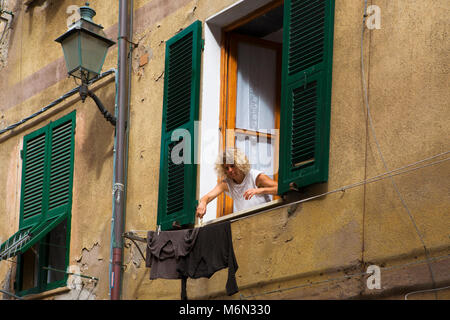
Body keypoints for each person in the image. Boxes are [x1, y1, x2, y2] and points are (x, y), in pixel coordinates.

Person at [196, 148, 278, 219]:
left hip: (266, 218)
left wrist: (259, 190)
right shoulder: (226, 183)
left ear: (240, 164)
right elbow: (207, 197)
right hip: (247, 223)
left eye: (232, 166)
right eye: (226, 168)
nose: (230, 170)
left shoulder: (256, 176)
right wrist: (203, 203)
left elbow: (279, 188)